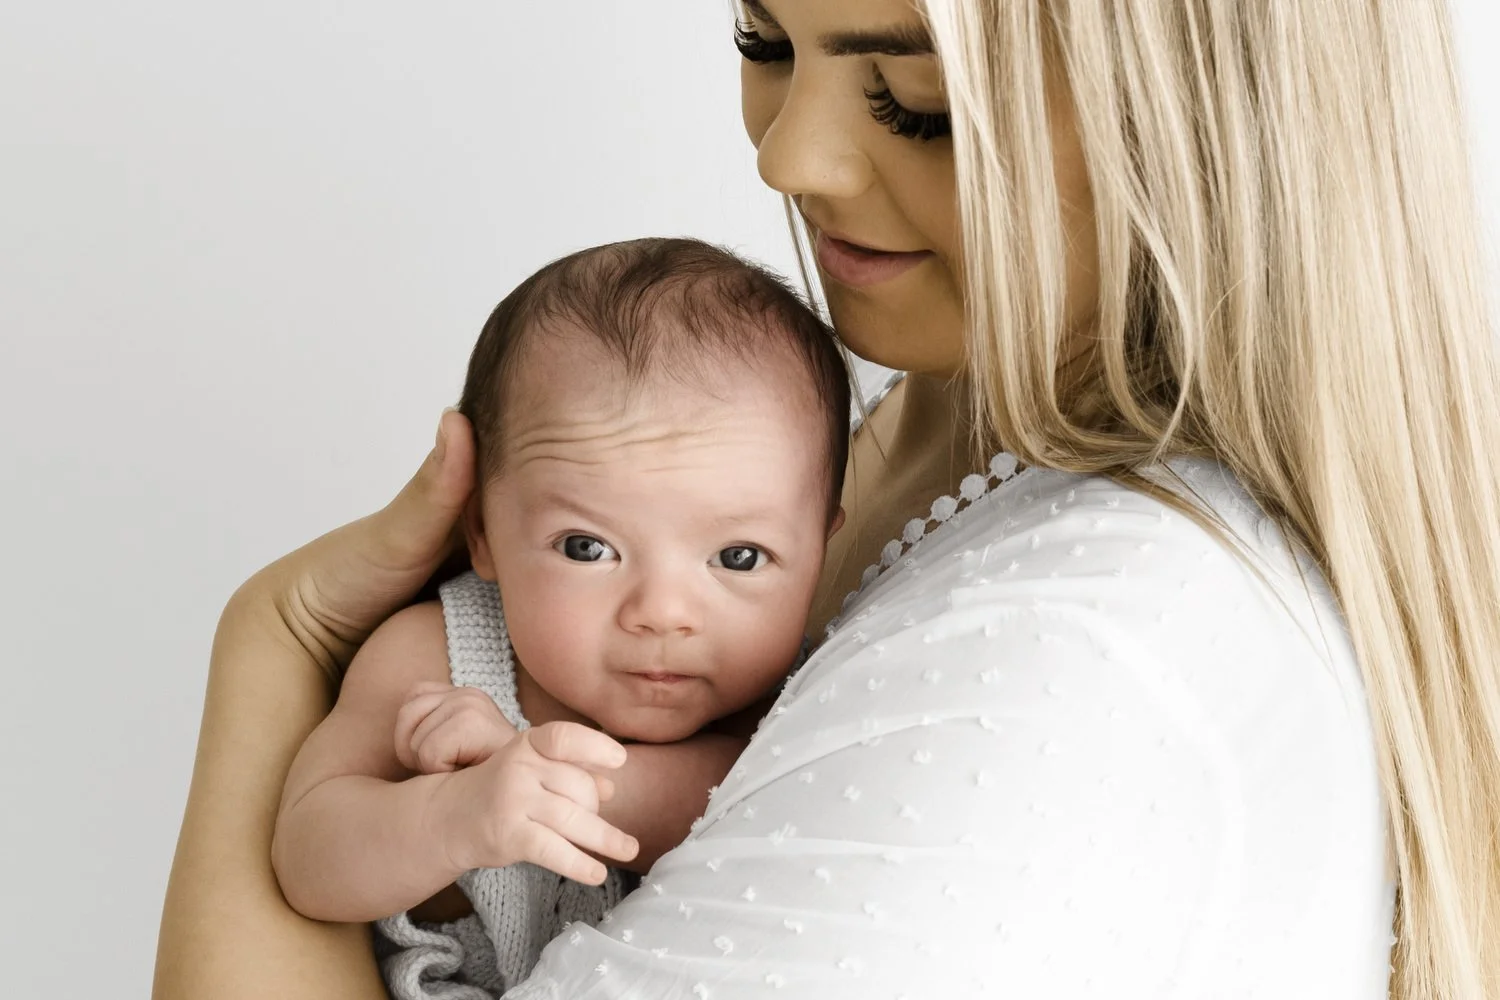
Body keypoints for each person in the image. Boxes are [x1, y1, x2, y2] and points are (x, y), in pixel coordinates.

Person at [154, 1, 1500, 998]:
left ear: (1211, 112)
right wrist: (286, 645)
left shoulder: (1078, 656)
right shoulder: (853, 448)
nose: (787, 162)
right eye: (760, 37)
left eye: (912, 94)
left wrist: (275, 645)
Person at [270, 237, 853, 997]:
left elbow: (737, 806)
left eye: (738, 558)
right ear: (481, 530)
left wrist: (557, 782)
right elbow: (306, 860)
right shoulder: (436, 658)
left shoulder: (806, 701)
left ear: (819, 553)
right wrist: (452, 814)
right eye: (588, 547)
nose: (663, 613)